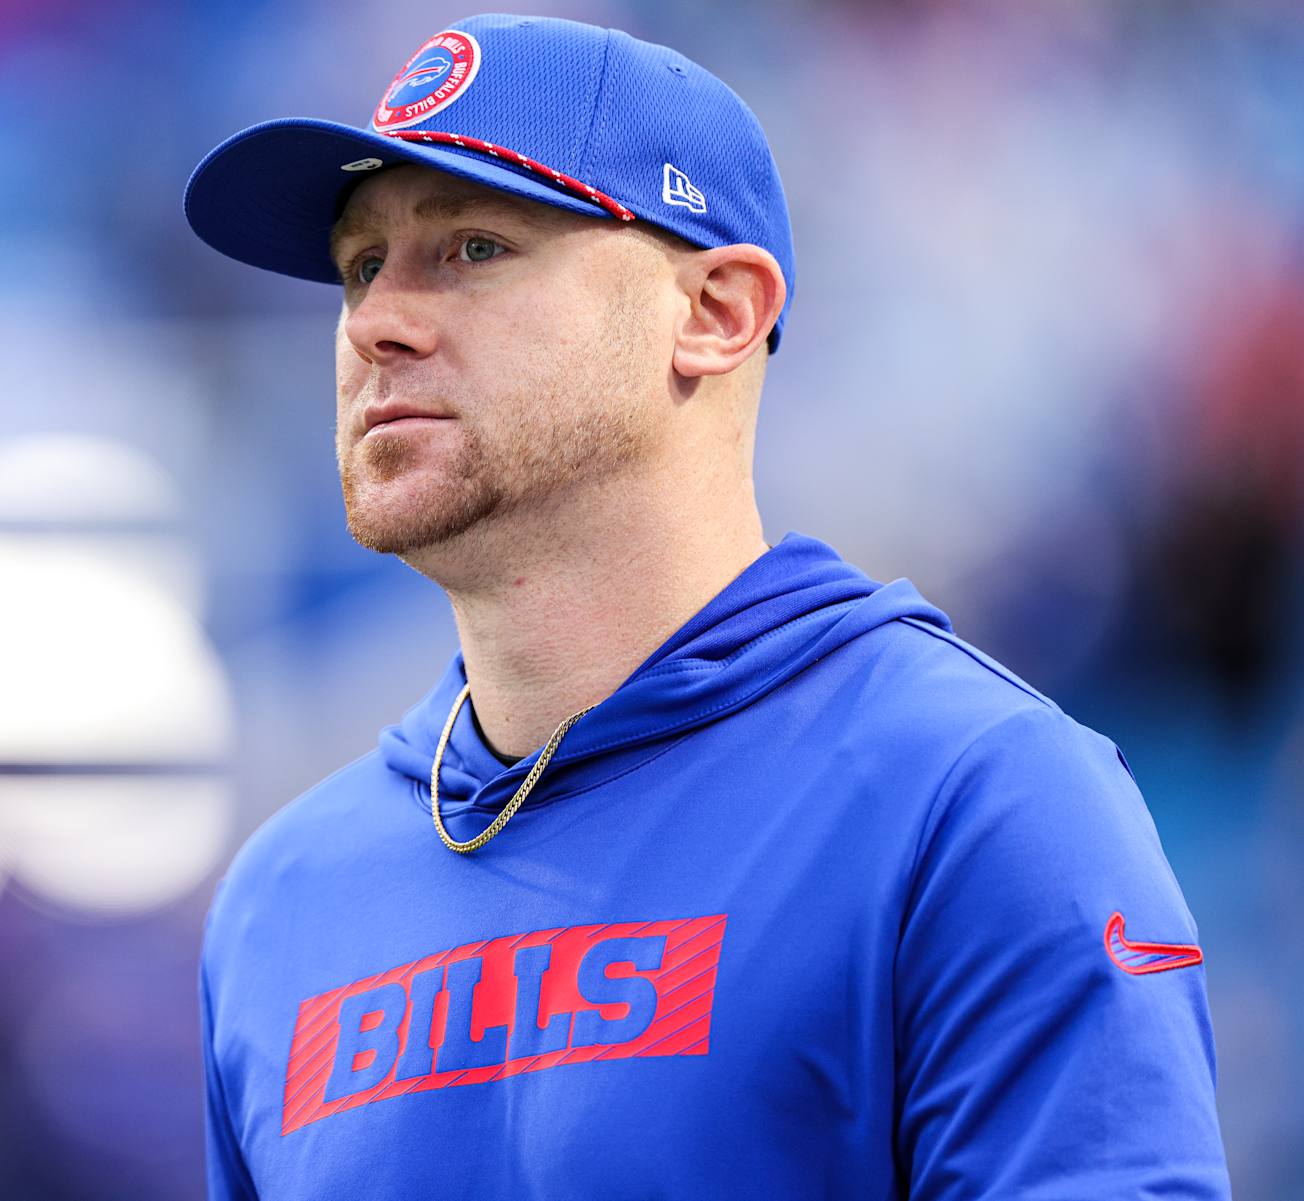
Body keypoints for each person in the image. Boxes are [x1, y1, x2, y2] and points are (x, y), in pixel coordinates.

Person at [182, 14, 1229, 1199]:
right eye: (362, 265)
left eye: (473, 248)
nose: (377, 321)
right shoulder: (284, 899)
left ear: (718, 312)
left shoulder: (973, 800)